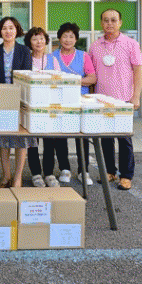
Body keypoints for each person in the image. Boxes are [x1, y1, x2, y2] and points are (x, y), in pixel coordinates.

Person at [88, 9, 142, 191]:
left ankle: (126, 176)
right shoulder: (95, 46)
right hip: (101, 100)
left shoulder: (131, 44)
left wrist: (136, 96)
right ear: (101, 23)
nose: (109, 23)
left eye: (113, 20)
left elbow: (138, 72)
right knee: (105, 139)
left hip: (124, 99)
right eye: (106, 20)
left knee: (124, 139)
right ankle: (109, 171)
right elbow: (92, 74)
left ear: (120, 22)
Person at [0, 16, 34, 188]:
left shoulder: (24, 51)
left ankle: (18, 177)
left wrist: (15, 94)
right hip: (1, 100)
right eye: (4, 28)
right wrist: (3, 94)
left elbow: (27, 75)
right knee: (4, 140)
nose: (8, 31)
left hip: (20, 101)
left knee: (21, 140)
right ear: (0, 31)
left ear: (17, 30)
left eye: (11, 28)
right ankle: (6, 175)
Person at [49, 22, 97, 186]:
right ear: (59, 38)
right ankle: (65, 168)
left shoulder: (84, 56)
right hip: (59, 101)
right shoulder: (52, 56)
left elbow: (92, 78)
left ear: (76, 39)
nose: (68, 40)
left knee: (82, 137)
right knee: (60, 136)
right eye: (65, 36)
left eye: (71, 36)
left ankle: (84, 171)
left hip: (79, 101)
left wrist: (73, 81)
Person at [24, 27, 66, 188]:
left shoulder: (52, 60)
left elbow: (59, 81)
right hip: (31, 106)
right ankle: (35, 173)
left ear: (46, 41)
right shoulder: (26, 58)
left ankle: (49, 173)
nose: (39, 42)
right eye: (35, 39)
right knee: (32, 142)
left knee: (49, 142)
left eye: (41, 38)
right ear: (29, 42)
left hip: (49, 106)